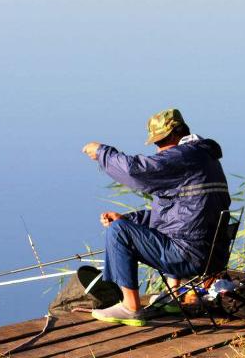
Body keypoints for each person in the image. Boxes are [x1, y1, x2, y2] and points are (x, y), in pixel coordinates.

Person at [81, 108, 230, 326]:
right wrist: (128, 219)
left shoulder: (184, 156)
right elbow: (178, 213)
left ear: (176, 134)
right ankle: (175, 294)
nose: (159, 150)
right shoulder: (205, 158)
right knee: (124, 225)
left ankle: (131, 308)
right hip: (212, 256)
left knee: (117, 232)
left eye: (161, 142)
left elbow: (136, 171)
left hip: (189, 256)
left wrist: (103, 153)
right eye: (156, 143)